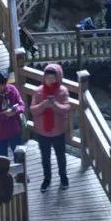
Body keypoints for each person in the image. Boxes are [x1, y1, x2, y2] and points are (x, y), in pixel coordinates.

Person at [29, 63, 71, 191]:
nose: (50, 80)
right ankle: (47, 179)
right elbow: (33, 110)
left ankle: (63, 177)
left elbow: (66, 108)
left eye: (53, 78)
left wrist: (55, 105)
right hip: (43, 132)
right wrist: (44, 104)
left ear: (58, 77)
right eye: (47, 77)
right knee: (45, 158)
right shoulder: (38, 92)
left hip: (58, 131)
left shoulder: (63, 91)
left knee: (61, 157)